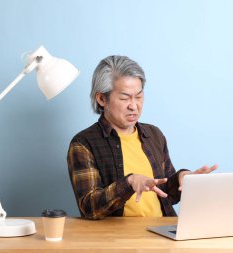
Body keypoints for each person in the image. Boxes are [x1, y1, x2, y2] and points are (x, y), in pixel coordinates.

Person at [67, 55, 217, 220]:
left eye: (138, 96)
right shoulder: (83, 144)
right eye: (124, 98)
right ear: (102, 99)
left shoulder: (153, 135)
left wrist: (184, 180)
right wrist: (129, 183)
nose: (134, 105)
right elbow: (90, 208)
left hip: (162, 231)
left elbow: (167, 194)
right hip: (116, 240)